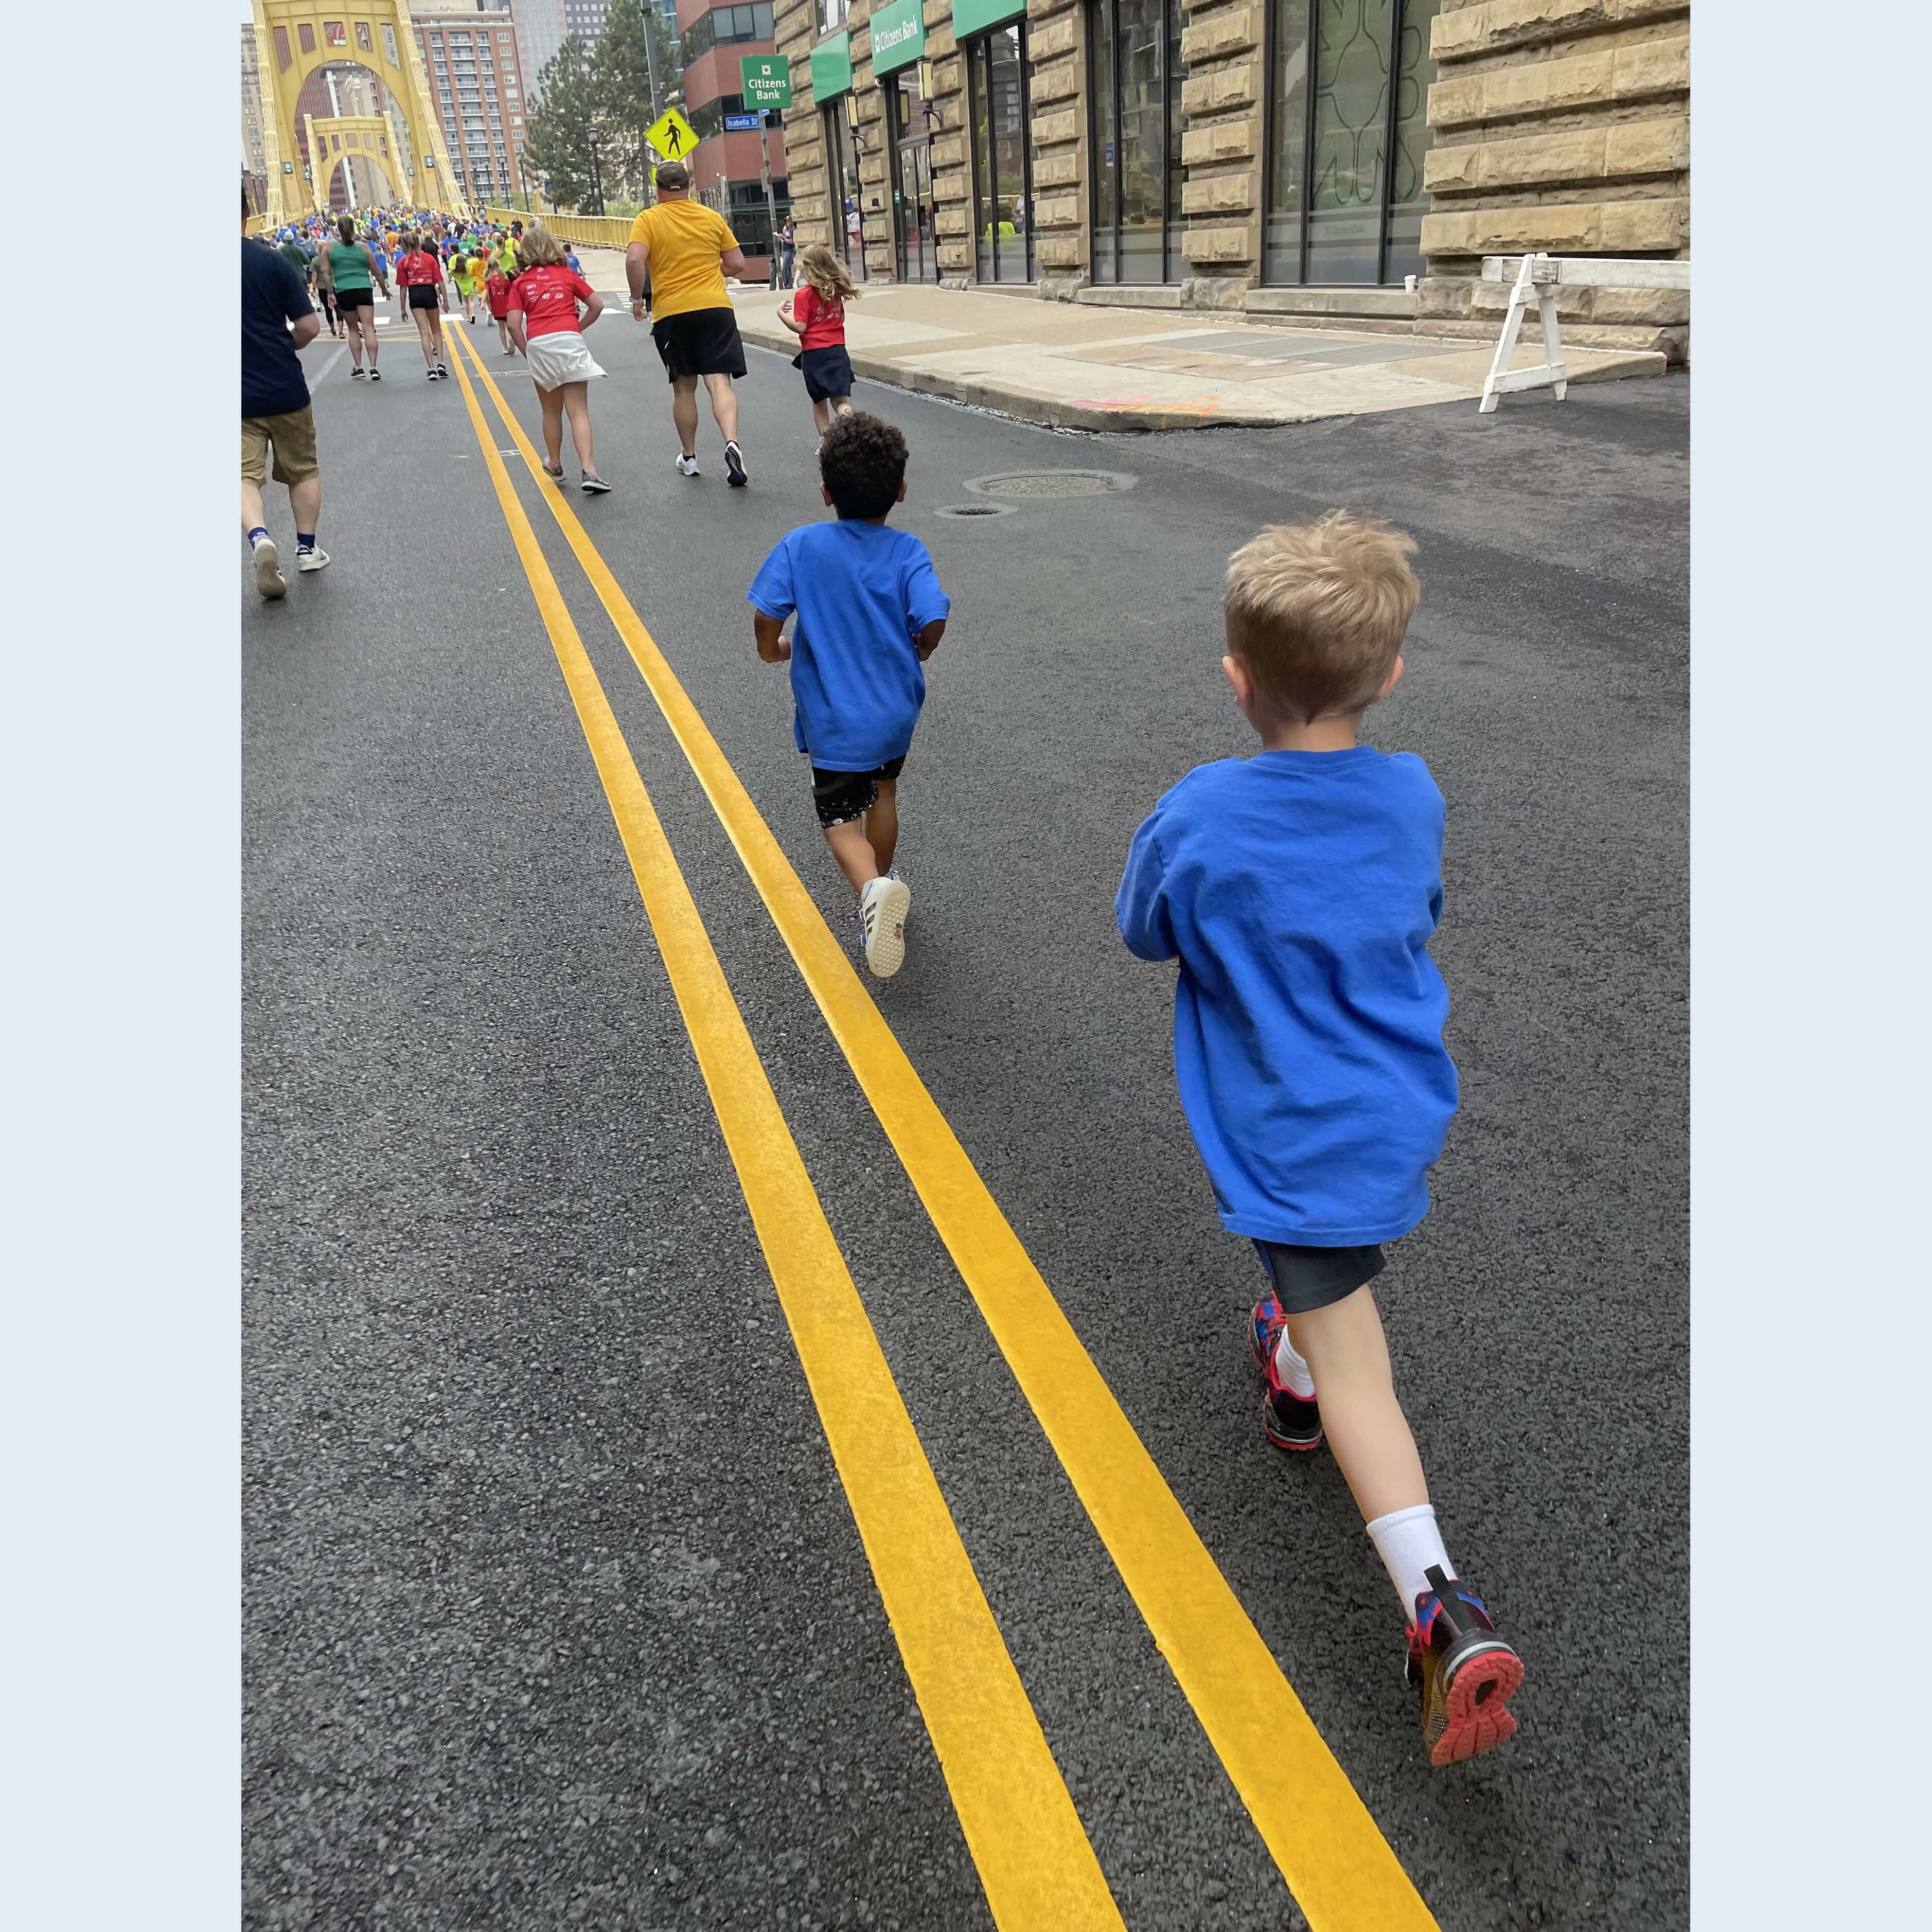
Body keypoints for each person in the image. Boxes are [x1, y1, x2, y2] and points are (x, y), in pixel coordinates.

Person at [1113, 513, 1526, 1768]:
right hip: (1391, 1103)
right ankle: (1287, 1374)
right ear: (1388, 672)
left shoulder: (1200, 811)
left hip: (1288, 1129)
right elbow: (1414, 904)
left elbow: (1143, 927)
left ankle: (1437, 1606)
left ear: (1236, 678)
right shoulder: (1410, 793)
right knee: (1315, 1295)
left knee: (1359, 1365)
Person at [747, 413, 947, 978]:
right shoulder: (908, 551)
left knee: (839, 823)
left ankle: (872, 891)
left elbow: (767, 612)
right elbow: (932, 615)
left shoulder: (802, 545)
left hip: (835, 720)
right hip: (894, 714)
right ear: (901, 490)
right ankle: (883, 887)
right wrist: (923, 646)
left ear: (826, 492)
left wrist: (772, 649)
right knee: (883, 792)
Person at [626, 161, 759, 485]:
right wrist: (713, 271)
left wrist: (637, 299)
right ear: (689, 186)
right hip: (715, 308)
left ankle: (689, 457)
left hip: (674, 313)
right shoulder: (710, 217)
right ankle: (732, 442)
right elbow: (737, 264)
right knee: (720, 383)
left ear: (658, 189)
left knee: (684, 388)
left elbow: (634, 259)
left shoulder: (648, 219)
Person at [241, 182, 327, 598]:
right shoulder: (271, 261)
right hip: (284, 386)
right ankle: (307, 550)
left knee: (241, 475)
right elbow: (309, 326)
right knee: (302, 469)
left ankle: (259, 537)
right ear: (246, 212)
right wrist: (281, 345)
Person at [506, 227, 610, 494]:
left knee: (551, 411)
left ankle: (554, 463)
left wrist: (528, 352)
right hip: (570, 339)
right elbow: (597, 305)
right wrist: (576, 328)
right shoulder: (567, 275)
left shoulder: (521, 283)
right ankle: (589, 471)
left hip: (540, 344)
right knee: (579, 411)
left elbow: (513, 325)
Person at [776, 243, 857, 441]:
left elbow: (800, 327)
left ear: (807, 268)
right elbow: (841, 319)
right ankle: (850, 424)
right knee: (840, 401)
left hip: (815, 354)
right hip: (838, 351)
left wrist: (781, 314)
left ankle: (827, 443)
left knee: (819, 401)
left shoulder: (804, 295)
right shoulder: (835, 292)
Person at [317, 211, 389, 380]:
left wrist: (330, 293)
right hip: (364, 289)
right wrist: (384, 288)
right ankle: (374, 367)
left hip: (344, 290)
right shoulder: (363, 248)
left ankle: (359, 367)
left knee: (353, 330)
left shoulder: (329, 247)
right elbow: (377, 272)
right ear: (353, 228)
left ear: (338, 229)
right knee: (369, 328)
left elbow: (325, 272)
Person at [395, 231, 450, 379]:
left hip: (415, 293)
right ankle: (441, 363)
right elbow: (440, 281)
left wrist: (402, 308)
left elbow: (403, 287)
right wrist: (445, 300)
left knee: (424, 333)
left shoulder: (403, 262)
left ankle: (431, 368)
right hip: (429, 291)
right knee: (436, 330)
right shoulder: (429, 259)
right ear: (419, 243)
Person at [485, 253, 517, 355]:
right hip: (507, 305)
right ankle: (512, 337)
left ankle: (505, 348)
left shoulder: (489, 279)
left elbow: (486, 291)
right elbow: (510, 291)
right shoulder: (505, 277)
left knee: (501, 327)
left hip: (497, 306)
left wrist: (483, 302)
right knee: (509, 325)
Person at [449, 245, 479, 324]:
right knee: (471, 302)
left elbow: (450, 273)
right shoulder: (468, 268)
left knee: (466, 302)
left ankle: (468, 317)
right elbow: (473, 273)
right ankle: (473, 314)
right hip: (470, 285)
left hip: (462, 287)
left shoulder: (456, 271)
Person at [776, 215, 797, 290]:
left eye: (789, 221)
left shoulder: (793, 230)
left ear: (792, 221)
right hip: (785, 250)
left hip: (790, 251)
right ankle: (789, 284)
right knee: (787, 268)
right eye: (787, 221)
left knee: (785, 267)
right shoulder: (789, 229)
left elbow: (792, 242)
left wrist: (784, 238)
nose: (787, 223)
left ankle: (786, 283)